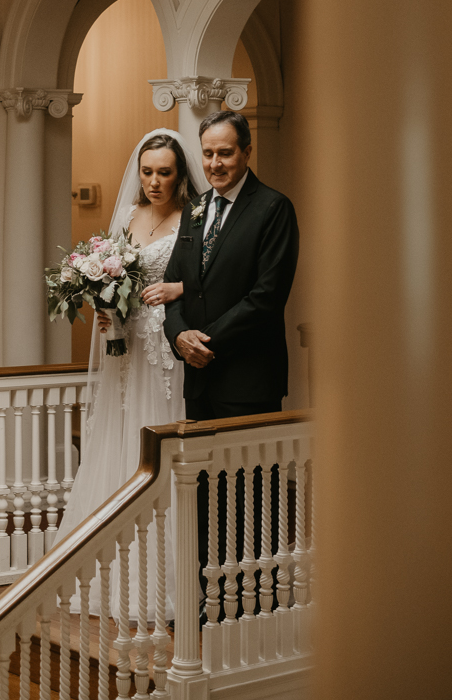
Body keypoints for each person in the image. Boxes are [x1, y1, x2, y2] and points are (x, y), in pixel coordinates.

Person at [55, 128, 206, 617]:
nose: (155, 181)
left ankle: (165, 582)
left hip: (165, 350)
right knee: (118, 442)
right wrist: (106, 308)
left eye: (165, 172)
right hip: (126, 350)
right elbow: (113, 277)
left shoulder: (195, 219)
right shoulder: (126, 216)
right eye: (147, 172)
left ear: (181, 173)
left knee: (158, 443)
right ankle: (106, 575)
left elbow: (205, 281)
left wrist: (177, 291)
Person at [162, 109, 299, 615]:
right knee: (201, 496)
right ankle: (205, 603)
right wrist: (179, 337)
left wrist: (206, 339)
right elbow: (175, 288)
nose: (216, 163)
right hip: (198, 380)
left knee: (247, 497)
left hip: (247, 378)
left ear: (246, 152)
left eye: (226, 152)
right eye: (209, 154)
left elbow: (266, 298)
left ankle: (248, 607)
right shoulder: (196, 210)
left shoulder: (273, 209)